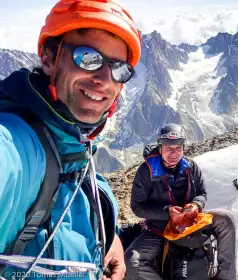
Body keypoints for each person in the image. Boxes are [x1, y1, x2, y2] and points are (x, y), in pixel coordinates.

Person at [0, 0, 141, 279]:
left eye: (119, 68)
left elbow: (75, 181)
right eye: (88, 58)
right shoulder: (16, 145)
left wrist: (106, 235)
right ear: (49, 58)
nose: (104, 78)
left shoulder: (69, 141)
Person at [125, 123, 237, 280]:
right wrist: (167, 212)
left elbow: (201, 193)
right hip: (160, 228)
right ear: (160, 148)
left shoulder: (190, 166)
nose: (173, 153)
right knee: (132, 260)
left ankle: (225, 277)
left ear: (183, 148)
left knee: (225, 219)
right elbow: (137, 207)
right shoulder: (146, 171)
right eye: (168, 148)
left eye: (178, 148)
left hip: (190, 222)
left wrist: (196, 204)